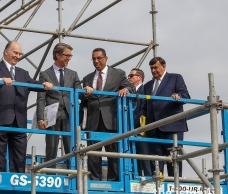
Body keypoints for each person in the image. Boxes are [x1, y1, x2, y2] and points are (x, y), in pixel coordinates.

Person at [0, 41, 53, 173]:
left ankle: (17, 182)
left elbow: (33, 84)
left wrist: (44, 84)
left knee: (19, 156)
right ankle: (0, 184)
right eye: (15, 53)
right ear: (6, 52)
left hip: (19, 120)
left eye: (20, 54)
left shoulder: (23, 73)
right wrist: (1, 81)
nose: (18, 56)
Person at [82, 48, 135, 181]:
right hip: (93, 121)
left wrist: (125, 89)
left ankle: (114, 180)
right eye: (93, 59)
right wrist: (84, 92)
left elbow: (131, 88)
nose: (96, 61)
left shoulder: (118, 74)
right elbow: (83, 101)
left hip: (111, 120)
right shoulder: (87, 78)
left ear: (106, 58)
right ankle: (94, 180)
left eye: (99, 58)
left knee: (113, 153)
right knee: (93, 154)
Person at [142, 57, 190, 177]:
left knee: (174, 159)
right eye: (151, 68)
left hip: (172, 127)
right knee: (156, 162)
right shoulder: (148, 85)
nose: (153, 71)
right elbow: (144, 107)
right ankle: (157, 188)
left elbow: (185, 95)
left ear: (164, 66)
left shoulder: (175, 78)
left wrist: (178, 95)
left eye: (155, 67)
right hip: (153, 129)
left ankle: (176, 188)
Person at [37, 43, 81, 168]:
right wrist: (41, 118)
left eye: (70, 55)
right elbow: (41, 98)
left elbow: (79, 92)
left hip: (69, 115)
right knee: (51, 148)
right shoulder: (45, 74)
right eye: (67, 55)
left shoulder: (73, 74)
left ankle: (73, 177)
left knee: (71, 148)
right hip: (51, 115)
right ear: (57, 55)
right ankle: (50, 174)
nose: (69, 58)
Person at [128, 68, 152, 176]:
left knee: (144, 155)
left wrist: (133, 123)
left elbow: (144, 109)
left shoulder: (144, 90)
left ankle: (148, 178)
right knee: (134, 155)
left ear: (139, 77)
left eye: (131, 75)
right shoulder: (131, 92)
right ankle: (136, 176)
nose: (129, 78)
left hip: (141, 129)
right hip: (132, 129)